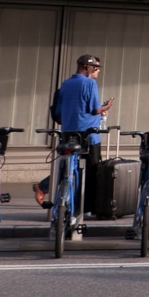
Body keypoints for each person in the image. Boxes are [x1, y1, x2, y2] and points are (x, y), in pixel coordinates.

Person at [34, 55, 112, 211]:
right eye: (95, 67)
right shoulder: (90, 83)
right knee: (91, 170)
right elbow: (95, 109)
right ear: (87, 66)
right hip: (89, 135)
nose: (96, 71)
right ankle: (87, 208)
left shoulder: (66, 84)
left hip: (68, 133)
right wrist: (107, 106)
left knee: (66, 167)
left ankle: (45, 188)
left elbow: (59, 111)